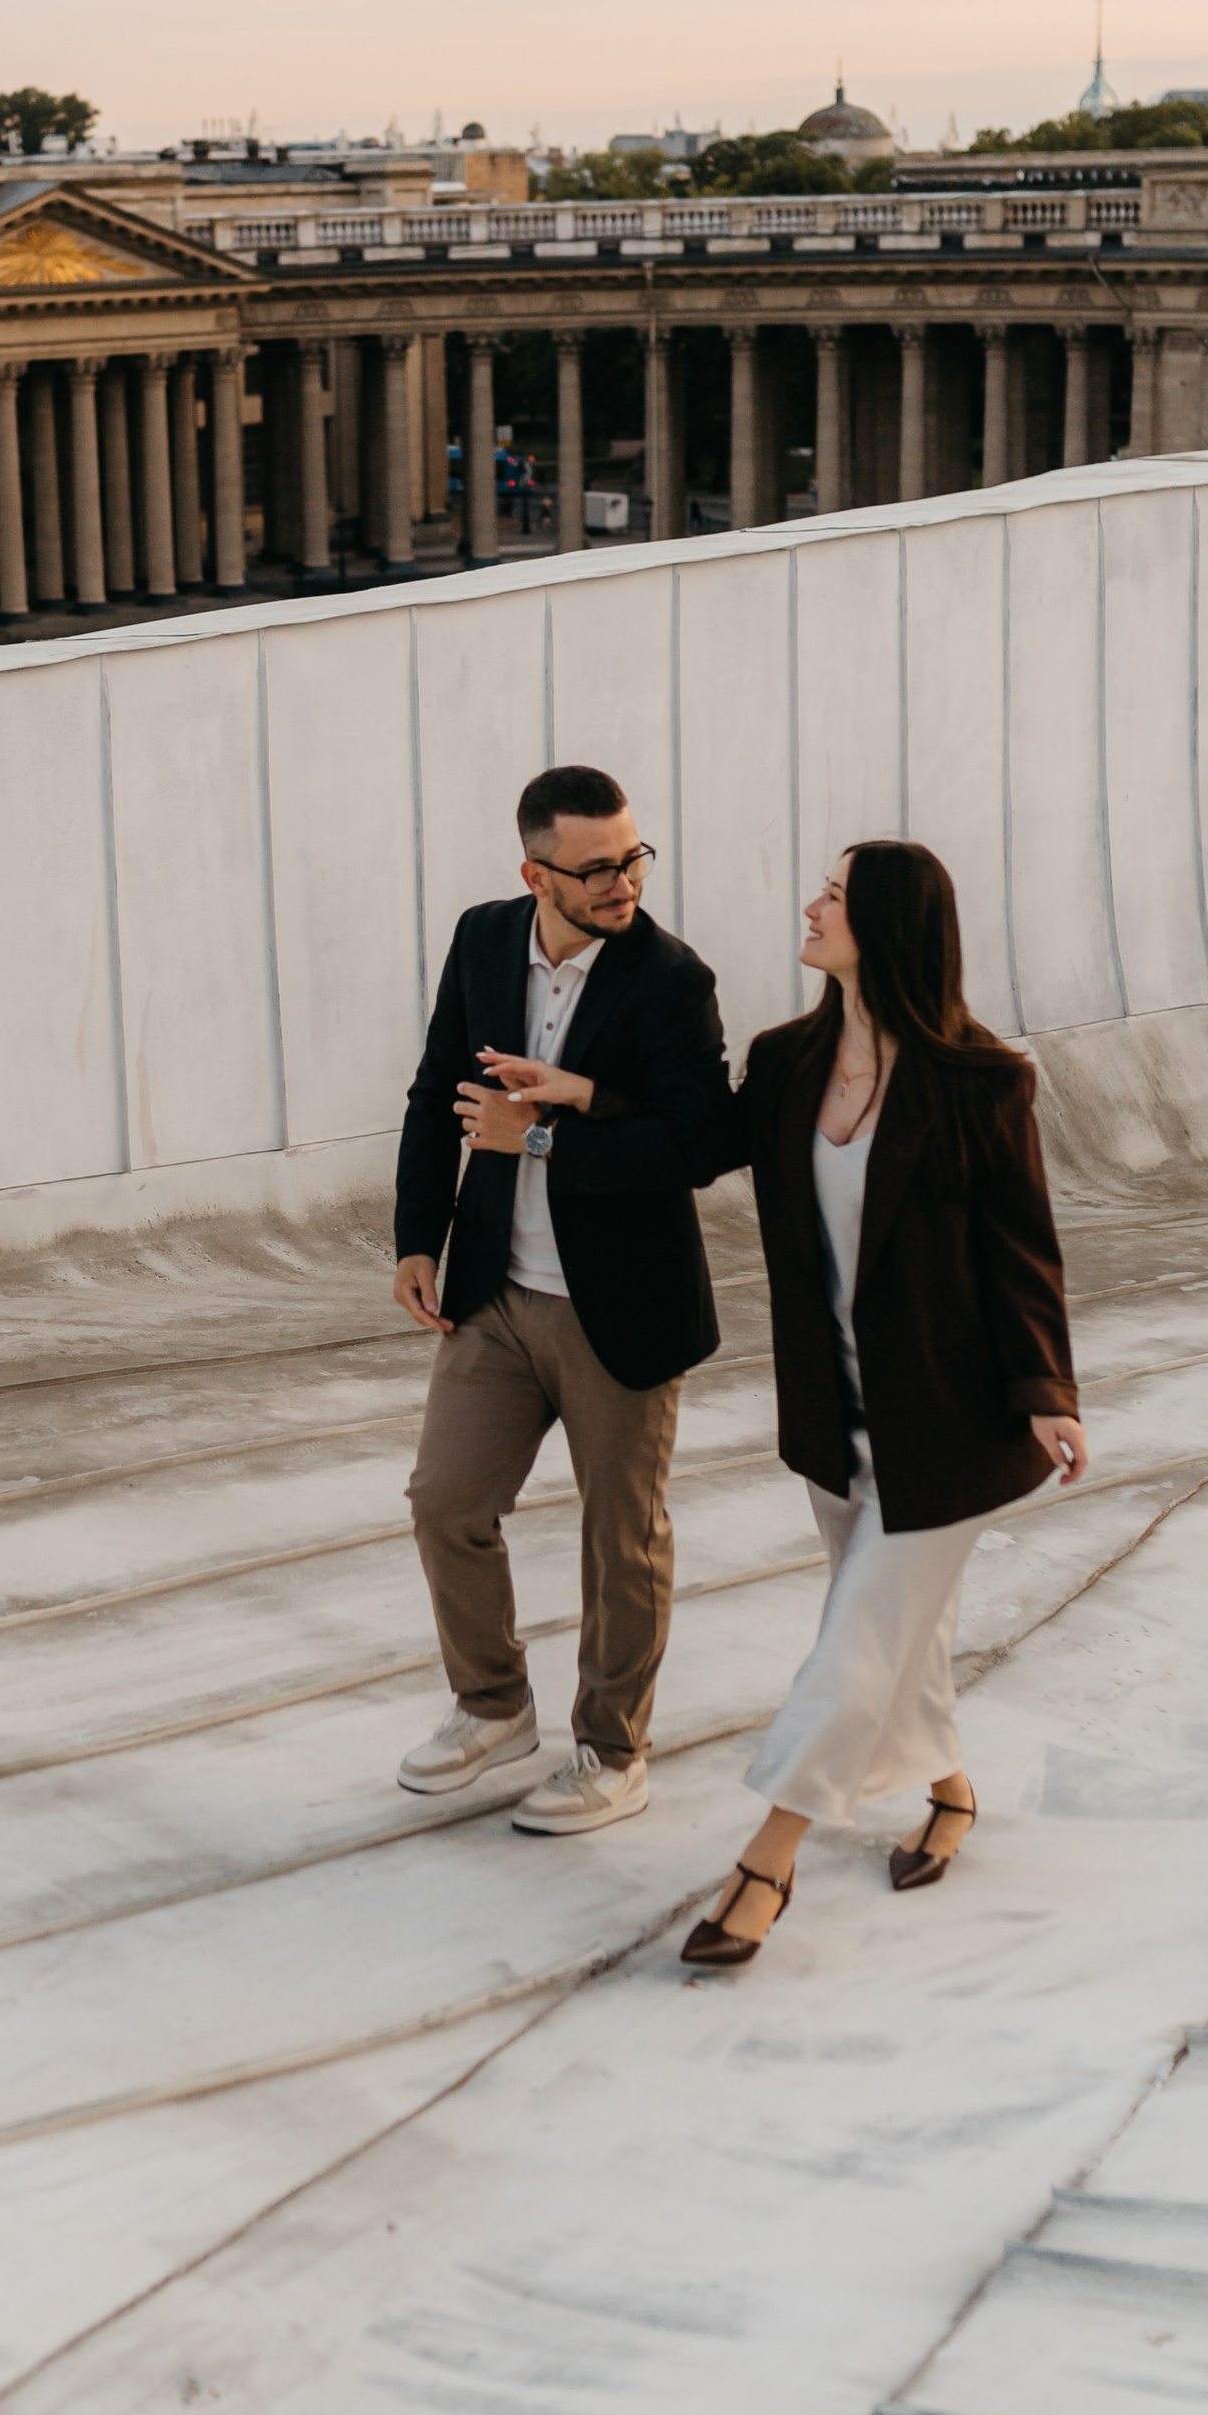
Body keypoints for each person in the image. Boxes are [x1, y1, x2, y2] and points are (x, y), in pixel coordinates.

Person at [680, 839, 1085, 1968]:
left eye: (838, 896)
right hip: (835, 1420)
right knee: (899, 1638)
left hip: (951, 1426)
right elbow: (695, 1147)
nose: (811, 906)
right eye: (819, 887)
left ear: (890, 926)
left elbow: (1021, 1251)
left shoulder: (979, 1080)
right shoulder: (784, 1061)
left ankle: (767, 1861)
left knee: (857, 1643)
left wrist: (1046, 1390)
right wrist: (576, 1101)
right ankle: (950, 1792)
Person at [392, 766, 734, 1833]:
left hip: (617, 1306)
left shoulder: (671, 980)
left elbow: (702, 1142)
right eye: (595, 868)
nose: (623, 882)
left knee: (617, 1538)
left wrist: (548, 1128)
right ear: (534, 872)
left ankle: (609, 1749)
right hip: (496, 1291)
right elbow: (434, 1083)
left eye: (633, 858)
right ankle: (492, 1704)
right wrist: (417, 1236)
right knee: (445, 1502)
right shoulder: (484, 939)